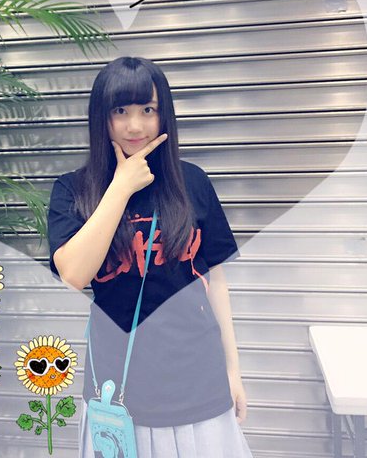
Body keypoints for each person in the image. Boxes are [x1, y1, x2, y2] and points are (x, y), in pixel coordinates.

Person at [47, 56, 254, 457]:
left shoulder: (192, 182)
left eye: (148, 110)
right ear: (102, 117)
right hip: (119, 391)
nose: (135, 126)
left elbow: (216, 282)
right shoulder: (73, 189)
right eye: (120, 111)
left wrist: (233, 371)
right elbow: (73, 274)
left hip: (198, 382)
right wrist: (120, 187)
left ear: (164, 115)